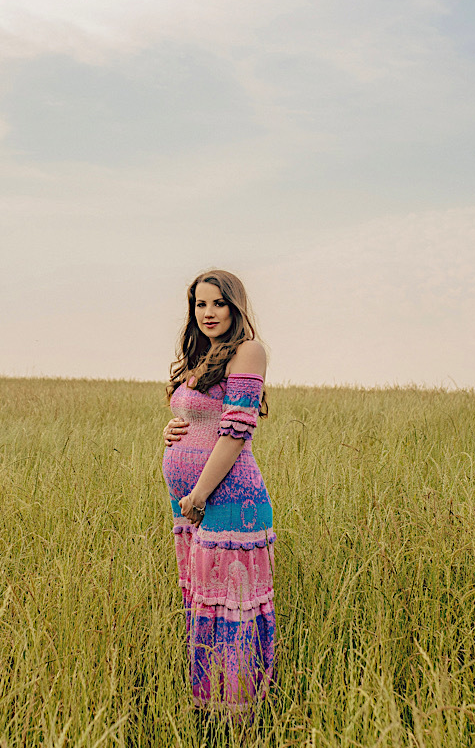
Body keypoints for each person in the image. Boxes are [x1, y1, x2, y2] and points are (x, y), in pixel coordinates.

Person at [161, 269, 274, 722]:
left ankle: (240, 718)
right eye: (200, 304)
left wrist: (199, 494)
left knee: (233, 612)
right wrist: (170, 432)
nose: (208, 313)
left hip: (228, 500)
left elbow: (235, 432)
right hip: (191, 504)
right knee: (203, 606)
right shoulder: (204, 357)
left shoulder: (249, 351)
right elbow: (199, 421)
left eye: (218, 303)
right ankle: (209, 711)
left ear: (236, 305)